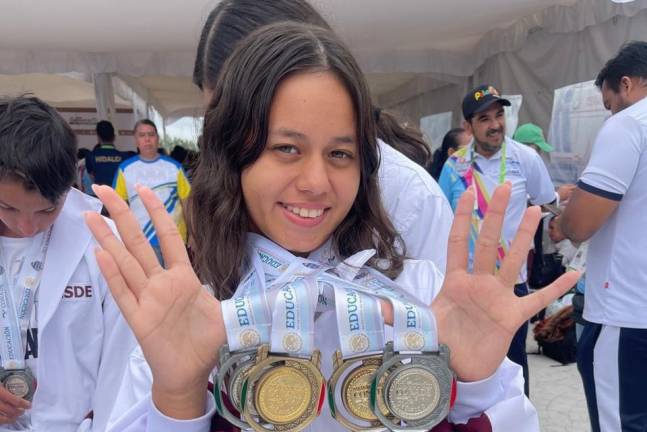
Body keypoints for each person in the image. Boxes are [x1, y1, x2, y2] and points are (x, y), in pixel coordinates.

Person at [86, 22, 578, 432]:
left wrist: (476, 384)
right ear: (234, 156)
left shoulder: (423, 297)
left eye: (340, 153)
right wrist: (178, 395)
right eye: (287, 148)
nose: (317, 182)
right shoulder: (194, 310)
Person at [192, 0, 453, 270]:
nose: (315, 183)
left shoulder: (410, 200)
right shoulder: (217, 202)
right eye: (221, 117)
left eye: (339, 154)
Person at [0, 96, 135, 430]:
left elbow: (125, 361)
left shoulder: (105, 242)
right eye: (7, 207)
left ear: (70, 185)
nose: (27, 226)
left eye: (47, 210)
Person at [438, 85, 560, 396]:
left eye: (499, 115)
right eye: (484, 118)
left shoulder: (525, 159)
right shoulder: (454, 168)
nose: (495, 124)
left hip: (509, 283)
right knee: (468, 369)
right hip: (466, 285)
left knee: (514, 367)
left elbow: (547, 199)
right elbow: (442, 222)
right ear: (468, 126)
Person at [560, 41, 647, 432]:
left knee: (623, 422)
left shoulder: (630, 124)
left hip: (628, 313)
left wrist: (558, 222)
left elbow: (579, 226)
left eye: (608, 102)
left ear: (625, 85)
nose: (610, 112)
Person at [112, 120, 191, 264]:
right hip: (143, 240)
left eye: (151, 134)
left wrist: (194, 236)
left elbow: (187, 203)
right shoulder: (125, 169)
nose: (147, 139)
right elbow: (117, 207)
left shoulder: (174, 167)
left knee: (176, 285)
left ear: (157, 138)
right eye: (142, 135)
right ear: (136, 140)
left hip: (174, 238)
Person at [85, 121, 128, 187]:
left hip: (100, 195)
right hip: (119, 195)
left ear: (98, 137)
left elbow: (92, 179)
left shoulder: (90, 156)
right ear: (114, 137)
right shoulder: (125, 157)